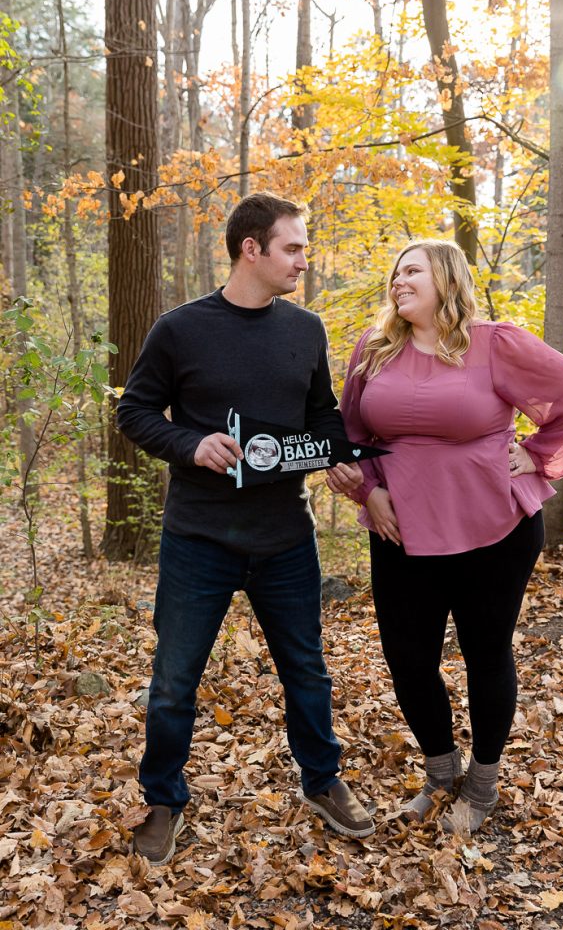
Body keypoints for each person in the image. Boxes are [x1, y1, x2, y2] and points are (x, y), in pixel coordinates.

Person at [117, 191, 375, 865]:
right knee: (174, 680)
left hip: (285, 538)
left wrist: (336, 459)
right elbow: (135, 413)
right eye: (292, 249)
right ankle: (163, 800)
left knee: (308, 673)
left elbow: (322, 415)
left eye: (304, 250)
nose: (302, 262)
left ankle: (321, 781)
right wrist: (190, 445)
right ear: (250, 249)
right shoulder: (179, 329)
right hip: (198, 538)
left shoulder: (305, 330)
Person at [329, 239, 563, 834]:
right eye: (395, 272)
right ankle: (440, 772)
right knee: (407, 657)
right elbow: (348, 432)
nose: (399, 281)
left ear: (446, 279)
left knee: (485, 651)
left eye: (413, 271)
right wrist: (366, 490)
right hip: (402, 529)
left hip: (494, 526)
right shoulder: (373, 353)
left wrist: (536, 453)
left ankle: (482, 782)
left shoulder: (495, 344)